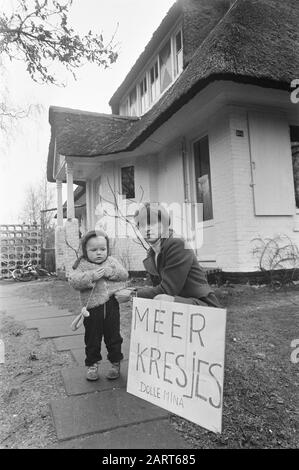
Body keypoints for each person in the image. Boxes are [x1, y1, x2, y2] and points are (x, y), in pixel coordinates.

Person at [115, 203, 221, 307]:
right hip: (177, 309)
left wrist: (133, 295)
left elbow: (167, 290)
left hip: (202, 306)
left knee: (164, 299)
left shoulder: (177, 244)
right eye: (142, 225)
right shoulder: (152, 252)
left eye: (152, 223)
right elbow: (158, 289)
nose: (147, 229)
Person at [68, 230, 129, 381]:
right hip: (92, 309)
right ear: (85, 250)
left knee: (113, 336)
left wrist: (110, 272)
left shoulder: (111, 261)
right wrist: (91, 276)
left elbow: (124, 274)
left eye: (102, 249)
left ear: (107, 249)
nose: (99, 253)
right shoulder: (81, 264)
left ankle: (115, 363)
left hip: (111, 305)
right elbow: (73, 281)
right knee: (92, 338)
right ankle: (92, 364)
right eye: (93, 250)